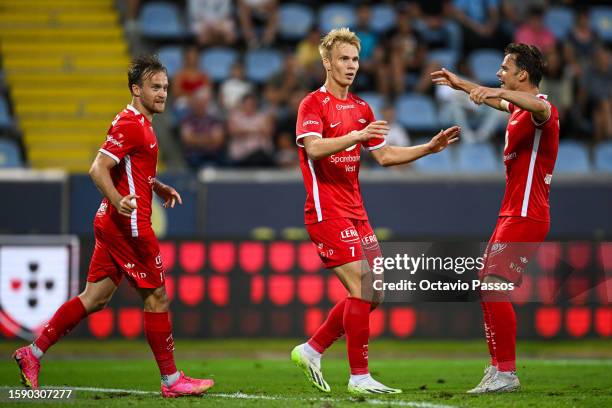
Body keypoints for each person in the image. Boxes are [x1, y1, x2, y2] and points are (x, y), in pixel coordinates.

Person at [12, 55, 214, 398]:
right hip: (128, 226)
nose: (163, 93)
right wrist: (120, 200)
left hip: (112, 222)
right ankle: (171, 381)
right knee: (157, 297)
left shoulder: (140, 122)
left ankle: (31, 354)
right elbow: (98, 168)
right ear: (136, 89)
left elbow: (129, 169)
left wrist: (154, 184)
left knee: (94, 298)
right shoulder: (132, 124)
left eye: (165, 87)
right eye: (155, 87)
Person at [291, 27, 460, 395]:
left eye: (355, 59)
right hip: (326, 210)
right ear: (327, 62)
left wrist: (427, 149)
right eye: (343, 59)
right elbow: (315, 150)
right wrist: (355, 137)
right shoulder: (313, 104)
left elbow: (383, 155)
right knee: (362, 288)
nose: (351, 66)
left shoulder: (362, 108)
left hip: (356, 211)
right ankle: (359, 377)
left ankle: (312, 349)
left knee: (376, 292)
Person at [431, 43, 559, 393]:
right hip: (510, 212)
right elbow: (496, 101)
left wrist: (496, 90)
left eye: (505, 68)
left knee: (493, 287)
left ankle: (506, 373)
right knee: (486, 286)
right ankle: (497, 369)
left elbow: (538, 106)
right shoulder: (517, 110)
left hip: (527, 214)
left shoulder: (542, 109)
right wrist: (461, 85)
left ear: (522, 75)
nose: (499, 73)